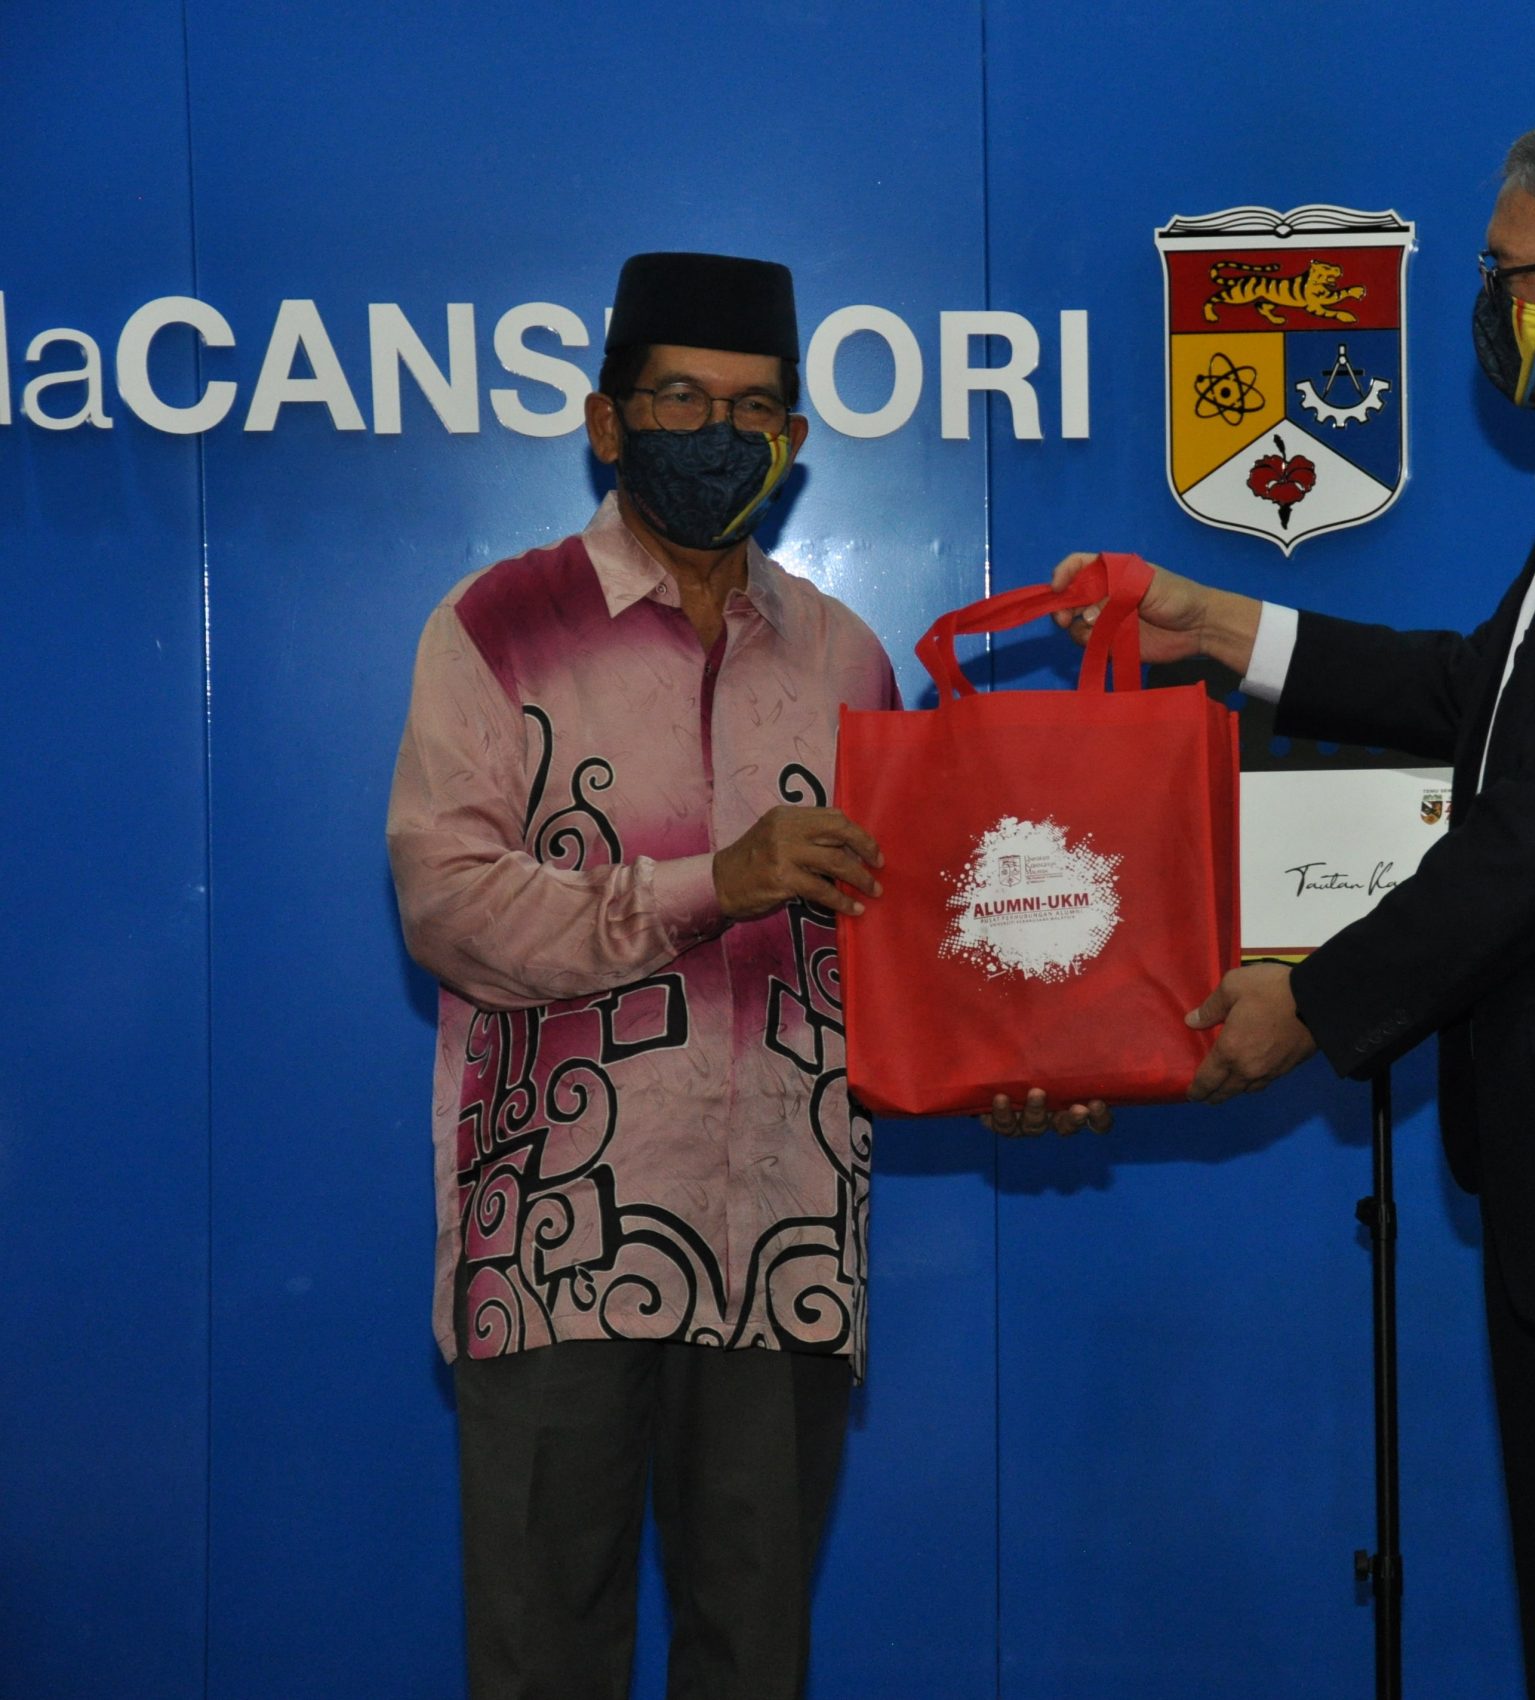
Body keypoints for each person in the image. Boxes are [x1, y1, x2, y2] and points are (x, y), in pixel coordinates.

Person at [1057, 102, 1535, 1697]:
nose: (1486, 304)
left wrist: (1313, 1003)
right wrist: (1222, 627)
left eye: (1511, 271)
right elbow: (1483, 696)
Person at [389, 250, 1097, 1700]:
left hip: (783, 1248)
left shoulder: (846, 660)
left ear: (795, 440)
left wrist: (1009, 1068)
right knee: (540, 1663)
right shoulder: (496, 627)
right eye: (681, 399)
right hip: (558, 1248)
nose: (718, 433)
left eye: (754, 408)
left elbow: (895, 949)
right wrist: (717, 881)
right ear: (608, 421)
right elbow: (448, 904)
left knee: (754, 1663)